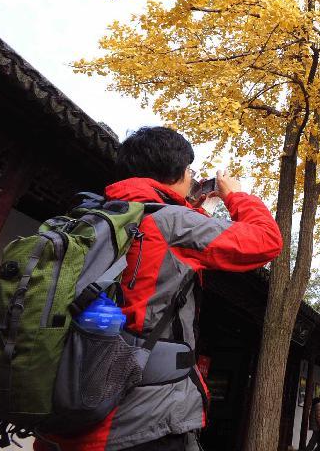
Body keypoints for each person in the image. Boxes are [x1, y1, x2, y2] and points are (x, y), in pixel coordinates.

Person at [35, 126, 282, 451]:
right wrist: (235, 195)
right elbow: (266, 240)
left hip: (65, 407)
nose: (193, 177)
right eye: (190, 170)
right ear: (176, 172)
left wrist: (188, 207)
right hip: (140, 420)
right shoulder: (173, 223)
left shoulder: (97, 217)